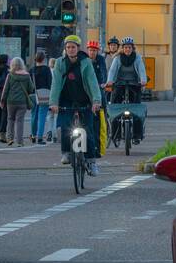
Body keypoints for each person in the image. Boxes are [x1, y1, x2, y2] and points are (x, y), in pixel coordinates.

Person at [49, 35, 102, 176]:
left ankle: (91, 162)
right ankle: (66, 152)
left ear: (78, 48)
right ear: (65, 49)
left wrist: (96, 101)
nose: (70, 50)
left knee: (88, 131)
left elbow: (92, 82)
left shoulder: (86, 62)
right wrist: (53, 103)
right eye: (68, 47)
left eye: (73, 47)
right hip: (66, 100)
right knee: (65, 127)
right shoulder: (60, 63)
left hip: (84, 101)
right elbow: (55, 85)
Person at [106, 36, 148, 143]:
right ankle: (116, 133)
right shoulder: (117, 58)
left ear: (132, 48)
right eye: (125, 48)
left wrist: (143, 80)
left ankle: (137, 134)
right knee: (115, 106)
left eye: (129, 47)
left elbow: (142, 70)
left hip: (134, 84)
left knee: (137, 107)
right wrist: (110, 81)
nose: (127, 50)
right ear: (122, 48)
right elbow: (112, 71)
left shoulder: (137, 57)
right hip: (119, 84)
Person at [1, 57, 36, 145]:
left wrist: (2, 100)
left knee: (10, 119)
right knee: (20, 121)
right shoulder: (27, 75)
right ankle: (20, 141)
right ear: (22, 65)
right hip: (22, 102)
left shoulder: (10, 75)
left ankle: (10, 139)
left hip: (11, 101)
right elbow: (31, 89)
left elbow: (6, 89)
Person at [31, 50, 53, 143]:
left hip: (33, 94)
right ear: (44, 59)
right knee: (42, 115)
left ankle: (33, 135)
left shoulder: (31, 70)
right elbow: (50, 82)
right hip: (44, 94)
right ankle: (40, 137)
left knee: (34, 115)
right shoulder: (46, 69)